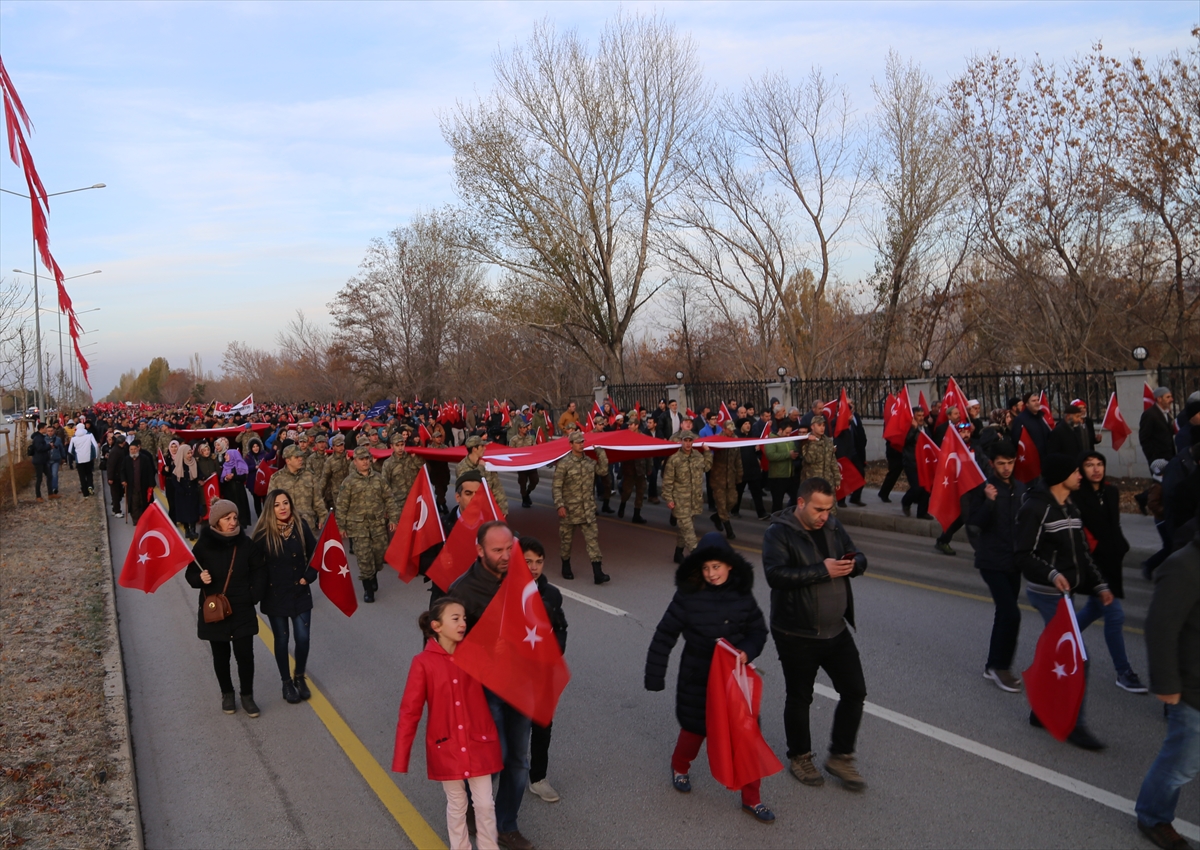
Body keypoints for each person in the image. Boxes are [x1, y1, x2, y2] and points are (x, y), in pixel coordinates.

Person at [644, 534, 774, 823]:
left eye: (716, 566)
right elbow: (665, 634)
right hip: (698, 677)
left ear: (729, 565)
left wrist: (746, 652)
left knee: (746, 736)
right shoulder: (687, 595)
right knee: (695, 730)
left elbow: (758, 631)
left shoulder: (742, 594)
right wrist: (655, 675)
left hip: (734, 678)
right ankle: (680, 766)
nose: (711, 573)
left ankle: (752, 798)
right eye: (705, 568)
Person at [761, 477, 869, 791]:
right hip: (796, 633)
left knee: (855, 691)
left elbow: (858, 555)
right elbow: (776, 576)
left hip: (836, 630)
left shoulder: (833, 526)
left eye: (828, 509)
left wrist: (854, 565)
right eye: (818, 509)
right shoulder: (779, 532)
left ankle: (841, 756)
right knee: (800, 697)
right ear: (801, 503)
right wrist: (823, 570)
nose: (824, 516)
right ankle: (800, 756)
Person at [447, 522, 535, 850]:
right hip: (485, 689)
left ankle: (507, 826)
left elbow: (544, 622)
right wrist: (486, 649)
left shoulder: (524, 580)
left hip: (521, 685)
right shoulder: (463, 591)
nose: (505, 556)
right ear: (479, 550)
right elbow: (447, 648)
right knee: (494, 757)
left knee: (519, 760)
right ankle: (474, 804)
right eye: (497, 550)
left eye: (509, 549)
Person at [1017, 453, 1113, 750]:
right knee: (1078, 658)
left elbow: (1082, 552)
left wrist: (1099, 584)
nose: (1081, 475)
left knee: (1056, 653)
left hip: (1066, 593)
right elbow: (1023, 554)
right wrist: (1053, 574)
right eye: (1075, 471)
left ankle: (1040, 711)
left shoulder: (1070, 506)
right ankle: (1074, 725)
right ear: (1061, 476)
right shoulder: (1036, 508)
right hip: (1047, 592)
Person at [392, 596, 502, 850]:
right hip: (446, 746)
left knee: (485, 803)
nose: (463, 623)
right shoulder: (423, 663)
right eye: (455, 619)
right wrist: (401, 757)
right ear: (437, 626)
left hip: (479, 741)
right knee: (457, 803)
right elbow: (410, 712)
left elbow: (499, 675)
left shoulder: (474, 654)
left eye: (464, 618)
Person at [1135, 517, 1199, 850]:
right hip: (1193, 687)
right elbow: (1160, 627)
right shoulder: (1184, 565)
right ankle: (1153, 815)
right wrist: (1167, 683)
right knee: (1181, 764)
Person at [184, 499, 265, 717]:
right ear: (216, 522)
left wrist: (253, 596)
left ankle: (247, 696)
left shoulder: (245, 544)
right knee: (221, 656)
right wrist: (200, 578)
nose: (232, 522)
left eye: (235, 518)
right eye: (227, 518)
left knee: (245, 655)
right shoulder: (203, 546)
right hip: (215, 611)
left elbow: (259, 570)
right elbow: (190, 574)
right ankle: (227, 693)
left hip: (242, 609)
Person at [1075, 452, 1147, 694]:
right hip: (1093, 564)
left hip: (1112, 561)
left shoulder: (1111, 491)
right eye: (1089, 465)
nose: (1096, 469)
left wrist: (1121, 546)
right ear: (1081, 469)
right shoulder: (1076, 495)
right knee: (1114, 615)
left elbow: (1114, 524)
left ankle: (1058, 638)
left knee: (1094, 609)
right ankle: (1123, 671)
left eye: (1099, 464)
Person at [966, 441, 1027, 692]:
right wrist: (989, 501)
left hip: (1014, 561)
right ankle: (1002, 668)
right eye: (1001, 463)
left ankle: (991, 665)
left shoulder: (1020, 488)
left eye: (1010, 463)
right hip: (991, 561)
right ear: (992, 464)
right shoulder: (984, 488)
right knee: (1012, 614)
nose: (1006, 468)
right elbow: (973, 525)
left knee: (1003, 613)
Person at [252, 489, 318, 705]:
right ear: (270, 509)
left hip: (300, 593)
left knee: (303, 638)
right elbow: (253, 565)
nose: (282, 508)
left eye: (285, 503)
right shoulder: (263, 534)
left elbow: (316, 553)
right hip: (275, 596)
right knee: (281, 639)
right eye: (277, 505)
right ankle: (286, 682)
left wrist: (309, 576)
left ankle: (299, 676)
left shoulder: (301, 526)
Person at [520, 537, 568, 805]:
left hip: (543, 672)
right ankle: (502, 772)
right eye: (528, 561)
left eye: (538, 562)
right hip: (515, 675)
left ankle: (538, 778)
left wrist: (555, 651)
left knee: (542, 725)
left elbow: (560, 627)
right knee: (512, 728)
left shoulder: (551, 594)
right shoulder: (506, 592)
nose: (534, 567)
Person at [335, 446, 398, 603]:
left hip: (377, 525)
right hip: (358, 527)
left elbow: (389, 499)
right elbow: (341, 505)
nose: (364, 462)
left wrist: (393, 518)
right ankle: (368, 589)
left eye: (366, 459)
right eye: (361, 459)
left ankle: (373, 574)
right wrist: (341, 526)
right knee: (364, 557)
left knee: (378, 555)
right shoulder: (349, 482)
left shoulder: (379, 479)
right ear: (355, 461)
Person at [552, 430, 610, 584]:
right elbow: (556, 487)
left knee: (593, 541)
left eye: (582, 442)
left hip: (587, 510)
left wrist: (600, 452)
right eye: (577, 442)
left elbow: (603, 470)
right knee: (566, 541)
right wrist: (559, 505)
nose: (581, 444)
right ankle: (566, 566)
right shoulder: (564, 464)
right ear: (571, 444)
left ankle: (598, 573)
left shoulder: (589, 462)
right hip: (569, 511)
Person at [663, 432, 714, 564]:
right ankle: (699, 560)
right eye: (685, 441)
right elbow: (667, 481)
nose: (687, 443)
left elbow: (707, 466)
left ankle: (678, 553)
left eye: (690, 441)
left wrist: (707, 452)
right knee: (689, 532)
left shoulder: (697, 456)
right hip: (680, 501)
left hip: (694, 501)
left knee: (684, 530)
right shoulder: (674, 459)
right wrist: (669, 499)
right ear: (681, 441)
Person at [270, 445, 319, 533]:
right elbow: (270, 504)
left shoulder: (309, 475)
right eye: (296, 457)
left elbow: (317, 499)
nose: (300, 459)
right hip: (286, 527)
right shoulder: (276, 478)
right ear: (288, 461)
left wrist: (323, 517)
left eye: (301, 456)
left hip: (308, 525)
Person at [456, 435, 509, 516]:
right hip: (471, 511)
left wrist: (503, 508)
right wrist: (481, 468)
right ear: (474, 449)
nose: (485, 448)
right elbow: (475, 487)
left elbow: (497, 487)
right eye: (482, 446)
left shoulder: (487, 464)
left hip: (488, 510)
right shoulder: (461, 467)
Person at [708, 420, 743, 539]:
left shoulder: (736, 439)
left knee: (733, 500)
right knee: (722, 504)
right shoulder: (717, 439)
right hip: (718, 478)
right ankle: (729, 531)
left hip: (731, 477)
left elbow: (738, 459)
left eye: (733, 429)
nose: (731, 431)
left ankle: (717, 517)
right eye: (729, 429)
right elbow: (708, 454)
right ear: (724, 429)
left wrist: (739, 475)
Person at [801, 416, 840, 511]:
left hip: (827, 480)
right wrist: (813, 443)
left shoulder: (828, 441)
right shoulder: (806, 441)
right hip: (813, 481)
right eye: (819, 425)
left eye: (823, 425)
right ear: (812, 427)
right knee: (814, 508)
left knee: (830, 508)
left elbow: (833, 461)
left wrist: (837, 478)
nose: (822, 428)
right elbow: (809, 459)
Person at [616, 415, 649, 524]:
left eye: (631, 424)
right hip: (629, 468)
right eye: (629, 424)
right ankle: (622, 505)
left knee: (640, 492)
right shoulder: (625, 437)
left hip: (640, 469)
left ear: (637, 425)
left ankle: (637, 514)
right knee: (627, 491)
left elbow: (649, 453)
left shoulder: (643, 437)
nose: (629, 426)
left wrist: (649, 468)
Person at [117, 438, 157, 522]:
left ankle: (144, 520)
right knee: (134, 504)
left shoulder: (145, 459)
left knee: (143, 503)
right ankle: (136, 520)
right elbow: (122, 471)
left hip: (143, 485)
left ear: (138, 449)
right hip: (132, 486)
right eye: (131, 449)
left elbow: (150, 472)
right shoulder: (126, 459)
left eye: (135, 449)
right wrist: (123, 480)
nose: (133, 451)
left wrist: (151, 484)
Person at [170, 443, 204, 540]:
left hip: (192, 491)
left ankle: (193, 530)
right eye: (188, 453)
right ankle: (187, 530)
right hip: (182, 492)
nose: (190, 455)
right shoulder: (177, 463)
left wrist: (201, 478)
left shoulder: (194, 462)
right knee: (184, 512)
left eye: (190, 453)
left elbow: (198, 473)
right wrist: (180, 489)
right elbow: (174, 479)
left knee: (193, 511)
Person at [509, 420, 539, 508]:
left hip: (531, 464)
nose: (526, 429)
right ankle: (524, 499)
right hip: (521, 465)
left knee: (535, 480)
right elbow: (511, 452)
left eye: (526, 427)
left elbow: (535, 449)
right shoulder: (514, 440)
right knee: (522, 483)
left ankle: (527, 493)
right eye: (524, 428)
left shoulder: (530, 438)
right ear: (519, 429)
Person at [221, 447, 252, 528]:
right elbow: (222, 480)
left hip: (239, 491)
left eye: (227, 455)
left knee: (240, 508)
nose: (225, 457)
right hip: (229, 492)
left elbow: (243, 478)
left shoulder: (240, 465)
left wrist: (233, 477)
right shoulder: (225, 466)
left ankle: (241, 525)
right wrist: (226, 479)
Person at [69, 420, 100, 497]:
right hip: (88, 458)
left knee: (82, 476)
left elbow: (70, 450)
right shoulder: (89, 435)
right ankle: (90, 486)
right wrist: (95, 456)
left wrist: (75, 455)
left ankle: (85, 491)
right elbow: (95, 446)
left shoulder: (74, 438)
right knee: (89, 473)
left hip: (79, 460)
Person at [107, 433, 128, 517]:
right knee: (115, 494)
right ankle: (117, 511)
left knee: (119, 494)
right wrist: (110, 477)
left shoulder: (121, 449)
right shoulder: (115, 451)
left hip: (119, 475)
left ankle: (115, 509)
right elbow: (111, 465)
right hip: (115, 476)